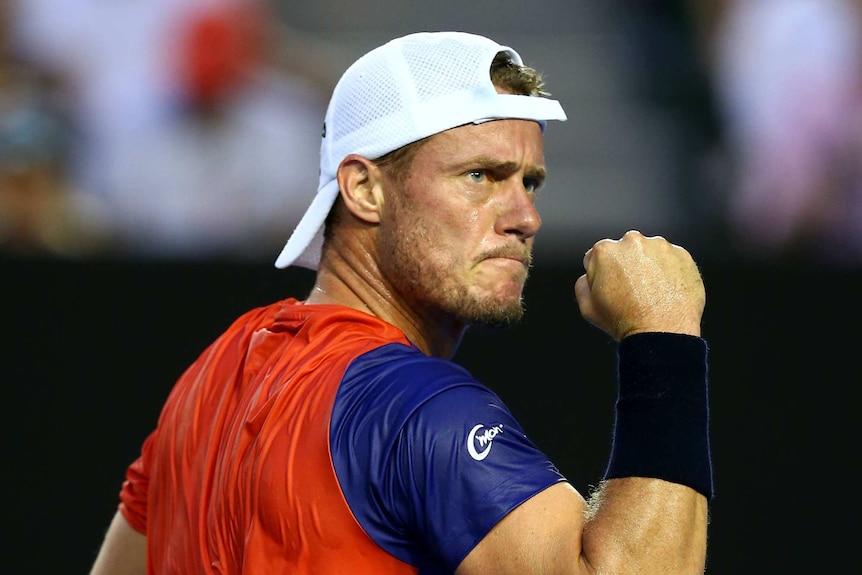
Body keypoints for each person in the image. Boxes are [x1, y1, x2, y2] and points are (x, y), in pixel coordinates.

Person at [88, 31, 712, 575]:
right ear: (363, 188)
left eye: (530, 182)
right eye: (480, 176)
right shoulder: (411, 404)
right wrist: (664, 336)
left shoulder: (206, 382)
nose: (525, 217)